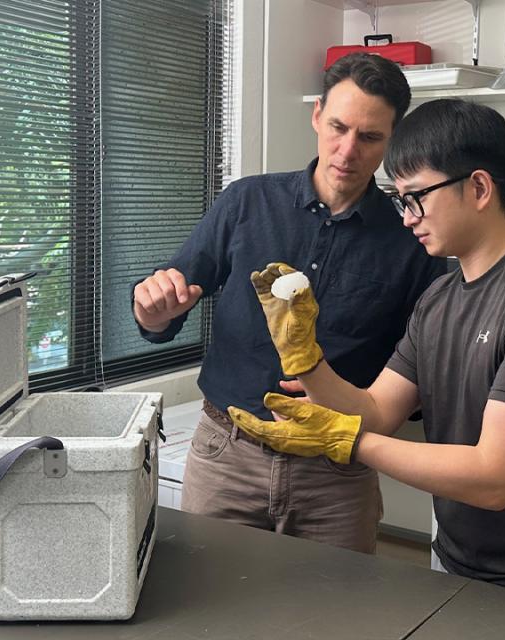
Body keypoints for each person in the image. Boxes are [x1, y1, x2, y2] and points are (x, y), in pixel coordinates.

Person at [229, 99, 505, 611]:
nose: (407, 217)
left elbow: (494, 477)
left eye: (416, 197)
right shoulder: (440, 297)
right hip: (456, 565)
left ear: (479, 188)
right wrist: (305, 356)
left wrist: (347, 444)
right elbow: (375, 411)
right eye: (400, 199)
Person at [131, 53, 447, 554]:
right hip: (226, 457)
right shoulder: (245, 202)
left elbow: (412, 375)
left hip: (337, 474)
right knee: (210, 610)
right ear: (317, 114)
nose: (347, 151)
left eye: (370, 138)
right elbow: (167, 301)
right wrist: (153, 310)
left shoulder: (412, 239)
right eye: (339, 126)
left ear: (393, 139)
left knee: (329, 615)